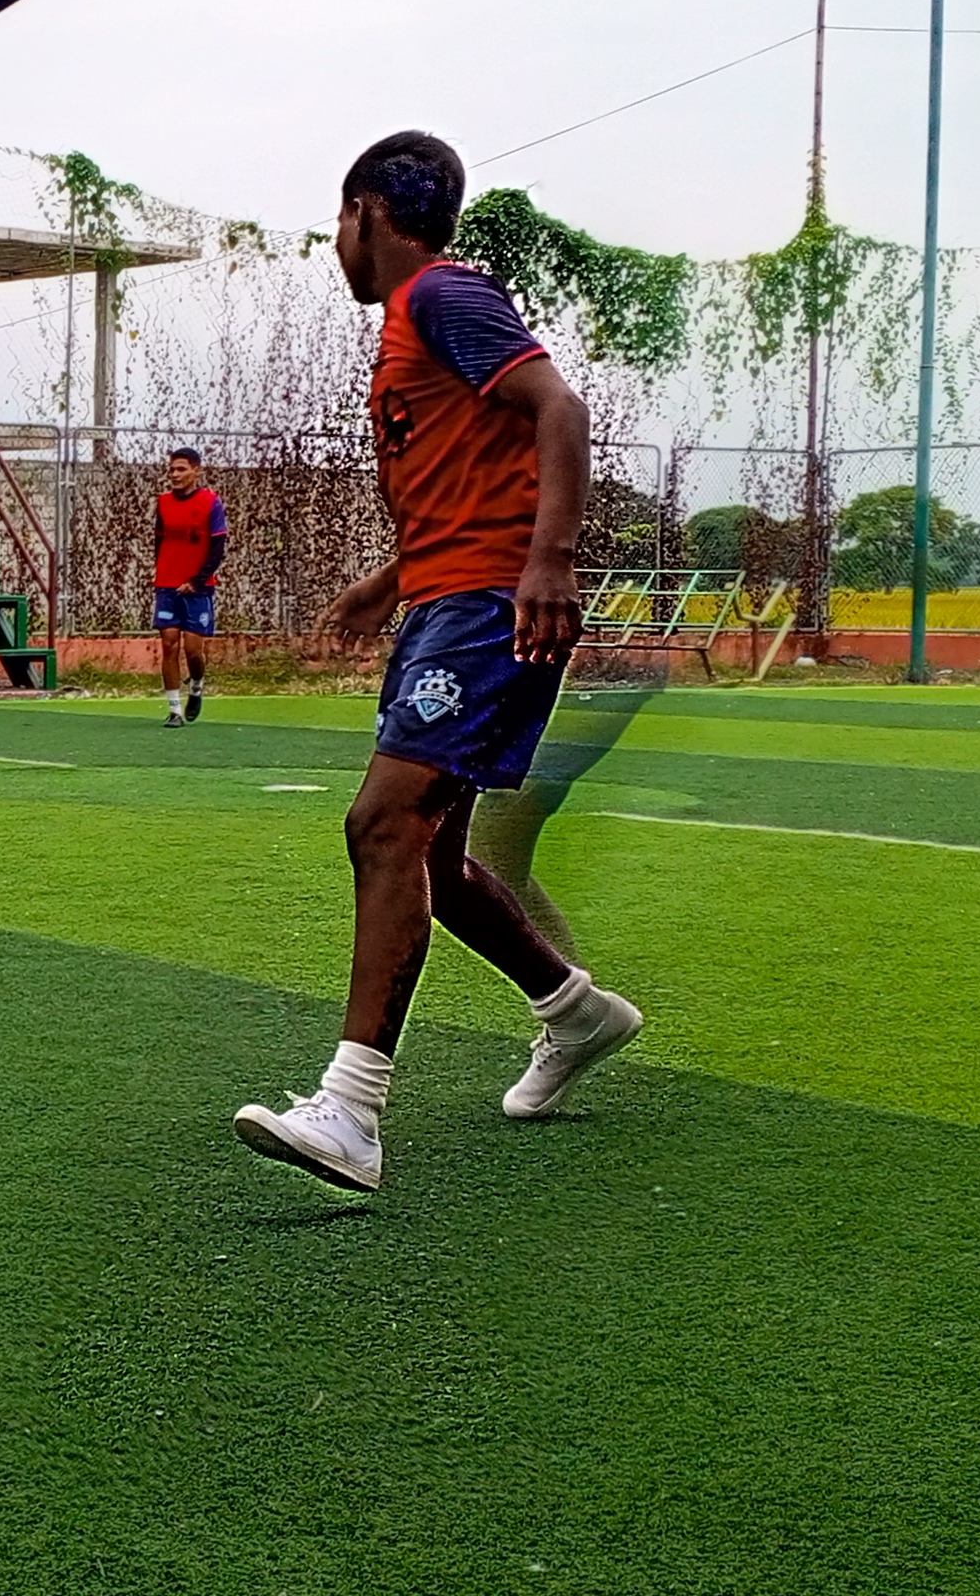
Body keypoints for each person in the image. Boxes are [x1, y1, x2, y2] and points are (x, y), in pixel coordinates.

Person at [230, 132, 647, 1195]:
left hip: (484, 607)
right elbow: (467, 483)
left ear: (367, 212)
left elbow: (559, 408)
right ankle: (577, 1013)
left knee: (384, 826)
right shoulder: (414, 327)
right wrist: (387, 582)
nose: (336, 243)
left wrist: (549, 561)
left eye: (338, 221)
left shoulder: (441, 296)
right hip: (444, 599)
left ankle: (351, 1111)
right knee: (436, 862)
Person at [152, 447, 229, 727]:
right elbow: (159, 541)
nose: (174, 474)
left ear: (196, 471)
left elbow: (218, 547)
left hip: (198, 588)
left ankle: (196, 686)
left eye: (181, 469)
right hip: (167, 585)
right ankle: (174, 710)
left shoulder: (211, 503)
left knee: (193, 650)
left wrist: (196, 580)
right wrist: (162, 571)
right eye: (172, 469)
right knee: (169, 643)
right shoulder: (163, 503)